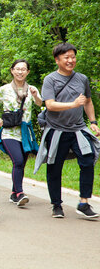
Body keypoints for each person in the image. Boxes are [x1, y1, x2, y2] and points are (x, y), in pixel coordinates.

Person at [34, 42, 100, 218]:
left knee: (88, 161)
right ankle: (56, 205)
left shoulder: (82, 79)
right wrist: (72, 104)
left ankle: (84, 203)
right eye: (66, 57)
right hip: (56, 130)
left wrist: (92, 121)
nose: (71, 60)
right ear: (57, 60)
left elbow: (87, 101)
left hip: (78, 129)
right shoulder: (50, 79)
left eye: (73, 57)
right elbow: (50, 105)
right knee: (54, 167)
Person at [0, 59, 42, 207]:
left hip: (26, 133)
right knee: (18, 161)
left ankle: (14, 194)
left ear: (28, 72)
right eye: (17, 69)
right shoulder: (4, 89)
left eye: (23, 69)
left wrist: (35, 95)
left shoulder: (32, 88)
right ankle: (20, 193)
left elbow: (40, 103)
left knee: (22, 163)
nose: (20, 72)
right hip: (9, 132)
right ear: (12, 70)